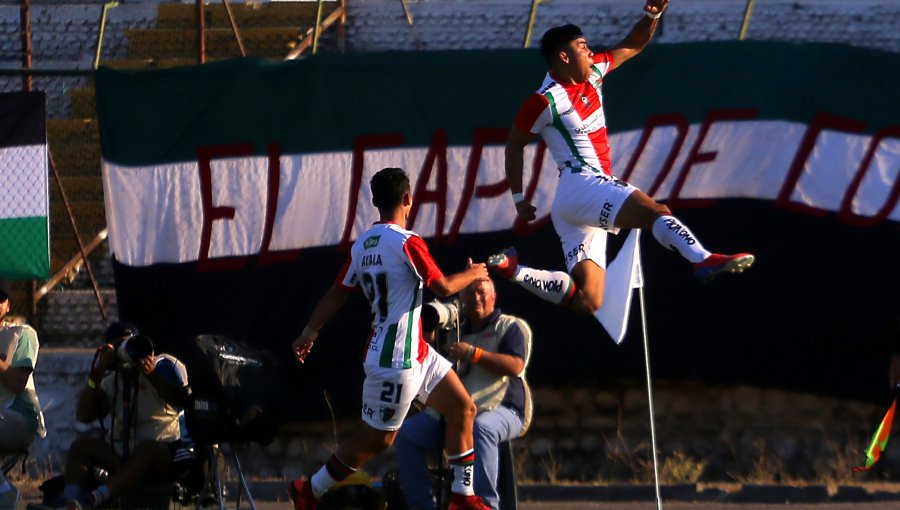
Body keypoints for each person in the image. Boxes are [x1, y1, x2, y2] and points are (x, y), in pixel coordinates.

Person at [491, 0, 755, 319]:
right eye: (582, 47)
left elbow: (633, 44)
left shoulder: (594, 72)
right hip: (582, 185)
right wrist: (518, 197)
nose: (590, 52)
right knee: (654, 211)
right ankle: (701, 258)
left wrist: (652, 14)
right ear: (563, 57)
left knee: (589, 299)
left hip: (573, 204)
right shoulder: (545, 100)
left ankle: (514, 271)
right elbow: (514, 145)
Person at [289, 167, 493, 510]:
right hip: (394, 360)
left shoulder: (362, 246)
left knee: (463, 407)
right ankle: (310, 489)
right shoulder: (407, 242)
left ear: (374, 202)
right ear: (409, 199)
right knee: (379, 439)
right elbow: (441, 287)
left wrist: (309, 331)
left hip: (417, 351)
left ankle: (463, 495)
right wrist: (472, 274)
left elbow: (336, 293)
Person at [395, 276, 532, 510]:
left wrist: (473, 354)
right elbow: (424, 353)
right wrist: (426, 326)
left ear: (493, 297)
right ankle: (422, 505)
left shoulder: (510, 326)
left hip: (502, 409)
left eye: (481, 292)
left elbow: (515, 366)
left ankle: (484, 503)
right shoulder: (454, 330)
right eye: (469, 293)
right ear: (461, 298)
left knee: (482, 427)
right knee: (407, 434)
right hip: (454, 414)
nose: (475, 298)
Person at [52, 322, 194, 509]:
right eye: (124, 346)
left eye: (133, 343)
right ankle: (70, 500)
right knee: (82, 445)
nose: (131, 351)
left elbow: (182, 400)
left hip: (160, 455)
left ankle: (93, 499)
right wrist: (97, 374)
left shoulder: (163, 366)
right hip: (122, 456)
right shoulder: (111, 383)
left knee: (146, 449)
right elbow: (84, 415)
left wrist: (152, 376)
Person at [0, 289, 44, 452]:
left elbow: (18, 384)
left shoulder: (21, 334)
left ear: (8, 306)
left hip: (19, 416)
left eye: (1, 299)